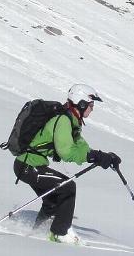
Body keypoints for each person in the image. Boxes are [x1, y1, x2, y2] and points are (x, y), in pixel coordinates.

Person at [13, 84, 121, 244]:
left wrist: (102, 156)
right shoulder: (63, 120)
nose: (92, 109)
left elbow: (80, 145)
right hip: (28, 165)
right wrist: (93, 157)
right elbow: (66, 151)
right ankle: (59, 233)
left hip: (32, 164)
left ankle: (37, 233)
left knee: (52, 200)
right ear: (82, 102)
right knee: (68, 188)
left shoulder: (72, 120)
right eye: (91, 105)